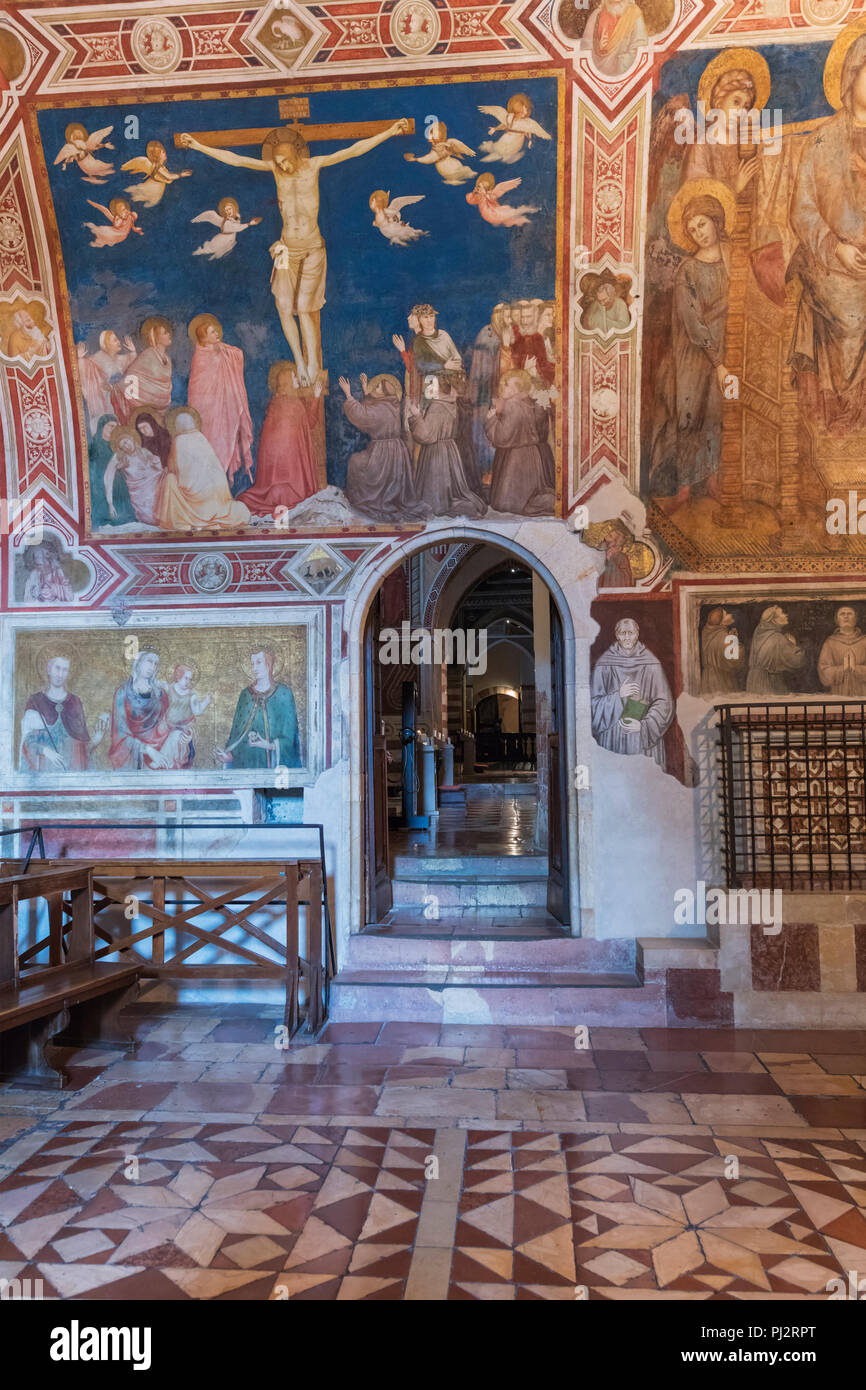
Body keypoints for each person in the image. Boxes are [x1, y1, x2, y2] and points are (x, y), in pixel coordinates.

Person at [178, 118, 411, 383]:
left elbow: (353, 150)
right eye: (277, 163)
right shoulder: (277, 172)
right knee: (283, 306)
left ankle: (312, 363)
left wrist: (390, 131)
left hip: (312, 249)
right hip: (286, 250)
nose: (282, 166)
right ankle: (300, 363)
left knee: (303, 306)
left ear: (295, 155)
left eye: (285, 161)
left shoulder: (313, 166)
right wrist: (199, 146)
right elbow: (237, 160)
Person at [790, 33, 866, 431]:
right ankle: (846, 421)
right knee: (852, 317)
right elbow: (801, 211)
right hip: (834, 264)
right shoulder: (821, 141)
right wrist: (837, 249)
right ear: (851, 77)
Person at [648, 187, 731, 511]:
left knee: (716, 414)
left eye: (703, 224)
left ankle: (711, 481)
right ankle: (684, 487)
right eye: (693, 229)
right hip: (695, 353)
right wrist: (718, 362)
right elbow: (692, 320)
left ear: (716, 221)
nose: (699, 233)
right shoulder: (688, 270)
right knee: (689, 413)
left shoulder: (731, 257)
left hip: (728, 347)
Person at [340, 372, 427, 521]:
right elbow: (371, 410)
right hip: (395, 450)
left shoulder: (381, 408)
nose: (375, 388)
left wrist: (348, 395)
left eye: (378, 387)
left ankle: (372, 500)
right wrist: (366, 390)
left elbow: (363, 415)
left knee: (356, 462)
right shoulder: (392, 404)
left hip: (383, 453)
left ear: (384, 391)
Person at [238, 364, 322, 515]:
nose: (297, 379)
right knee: (289, 496)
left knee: (276, 492)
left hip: (274, 469)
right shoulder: (293, 404)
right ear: (287, 382)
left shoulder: (276, 403)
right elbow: (310, 422)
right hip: (291, 471)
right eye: (294, 377)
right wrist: (316, 397)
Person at [590, 617, 674, 769]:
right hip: (614, 736)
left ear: (637, 634)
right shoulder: (604, 664)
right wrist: (618, 696)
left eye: (631, 633)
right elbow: (592, 706)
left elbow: (664, 703)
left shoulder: (652, 663)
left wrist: (644, 725)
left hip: (642, 738)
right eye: (623, 633)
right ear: (617, 635)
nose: (627, 637)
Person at [156, 407, 251, 530]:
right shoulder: (200, 437)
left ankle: (186, 519)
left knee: (169, 479)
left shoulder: (179, 440)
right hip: (213, 493)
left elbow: (177, 471)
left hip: (192, 493)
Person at [406, 372, 486, 517]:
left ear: (439, 389)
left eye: (431, 386)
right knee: (449, 489)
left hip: (436, 452)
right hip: (449, 449)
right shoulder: (451, 404)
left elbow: (426, 436)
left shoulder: (437, 406)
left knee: (436, 500)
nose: (427, 390)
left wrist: (416, 415)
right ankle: (466, 505)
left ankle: (461, 507)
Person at [187, 314, 255, 485]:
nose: (216, 335)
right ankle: (208, 484)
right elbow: (198, 386)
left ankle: (220, 483)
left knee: (224, 440)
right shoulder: (200, 356)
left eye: (216, 331)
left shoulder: (222, 349)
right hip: (206, 411)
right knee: (209, 444)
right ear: (203, 337)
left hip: (224, 409)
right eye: (212, 333)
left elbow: (238, 354)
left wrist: (224, 351)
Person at [214, 647, 301, 770]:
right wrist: (229, 756)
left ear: (269, 664)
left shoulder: (284, 694)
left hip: (275, 769)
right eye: (252, 663)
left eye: (259, 662)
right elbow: (237, 734)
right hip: (247, 764)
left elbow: (291, 737)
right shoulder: (245, 695)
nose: (254, 668)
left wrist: (269, 745)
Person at [19, 655, 109, 772]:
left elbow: (82, 749)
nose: (60, 674)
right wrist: (45, 751)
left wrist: (96, 740)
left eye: (65, 670)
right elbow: (28, 742)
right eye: (57, 668)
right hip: (46, 771)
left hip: (72, 771)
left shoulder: (75, 702)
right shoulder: (36, 701)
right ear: (49, 669)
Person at [484, 368, 555, 513]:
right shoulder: (528, 402)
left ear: (517, 388)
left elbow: (502, 436)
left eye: (507, 385)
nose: (502, 387)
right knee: (524, 495)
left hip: (516, 459)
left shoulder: (512, 404)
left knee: (507, 503)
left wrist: (491, 420)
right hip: (530, 455)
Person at [109, 649, 191, 771]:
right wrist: (147, 749)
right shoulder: (123, 693)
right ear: (138, 663)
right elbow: (120, 733)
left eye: (155, 664)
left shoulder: (160, 693)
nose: (152, 667)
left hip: (161, 744)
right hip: (135, 751)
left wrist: (184, 738)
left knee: (177, 735)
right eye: (149, 661)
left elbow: (170, 721)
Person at [468, 304, 509, 474]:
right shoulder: (488, 334)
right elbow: (483, 371)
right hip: (486, 395)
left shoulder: (505, 334)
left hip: (500, 392)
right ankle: (486, 471)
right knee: (485, 433)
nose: (510, 320)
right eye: (506, 317)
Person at [113, 317, 174, 423]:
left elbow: (163, 385)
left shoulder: (168, 360)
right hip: (142, 409)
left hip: (160, 408)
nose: (169, 334)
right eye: (164, 333)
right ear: (156, 338)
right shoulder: (148, 355)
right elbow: (131, 376)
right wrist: (115, 388)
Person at [104, 425, 164, 526]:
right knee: (151, 519)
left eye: (126, 442)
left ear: (131, 439)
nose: (126, 446)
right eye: (122, 446)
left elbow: (159, 468)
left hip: (155, 486)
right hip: (140, 495)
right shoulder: (120, 457)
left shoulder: (144, 452)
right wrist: (110, 503)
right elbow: (108, 477)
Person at [746, 606, 805, 695]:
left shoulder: (760, 633)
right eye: (782, 613)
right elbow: (797, 661)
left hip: (754, 681)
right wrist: (793, 645)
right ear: (773, 620)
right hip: (770, 683)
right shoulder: (778, 638)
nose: (786, 615)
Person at [582, 0, 648, 78]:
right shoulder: (596, 15)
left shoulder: (634, 15)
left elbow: (640, 49)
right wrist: (598, 47)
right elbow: (585, 49)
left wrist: (619, 64)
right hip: (595, 75)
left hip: (624, 75)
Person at [88, 413, 130, 527]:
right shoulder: (94, 442)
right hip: (98, 479)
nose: (113, 430)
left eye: (115, 427)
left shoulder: (116, 445)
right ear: (102, 426)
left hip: (116, 480)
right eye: (110, 426)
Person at [818, 605, 866, 696]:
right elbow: (824, 671)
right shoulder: (830, 643)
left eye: (849, 614)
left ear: (856, 619)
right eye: (842, 614)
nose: (846, 617)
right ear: (837, 620)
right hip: (838, 692)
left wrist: (856, 668)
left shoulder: (864, 641)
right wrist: (843, 669)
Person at [700, 606, 744, 695]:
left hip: (708, 678)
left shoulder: (708, 633)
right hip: (721, 678)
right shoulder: (723, 636)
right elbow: (734, 661)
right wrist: (734, 640)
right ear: (720, 621)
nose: (730, 615)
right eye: (726, 614)